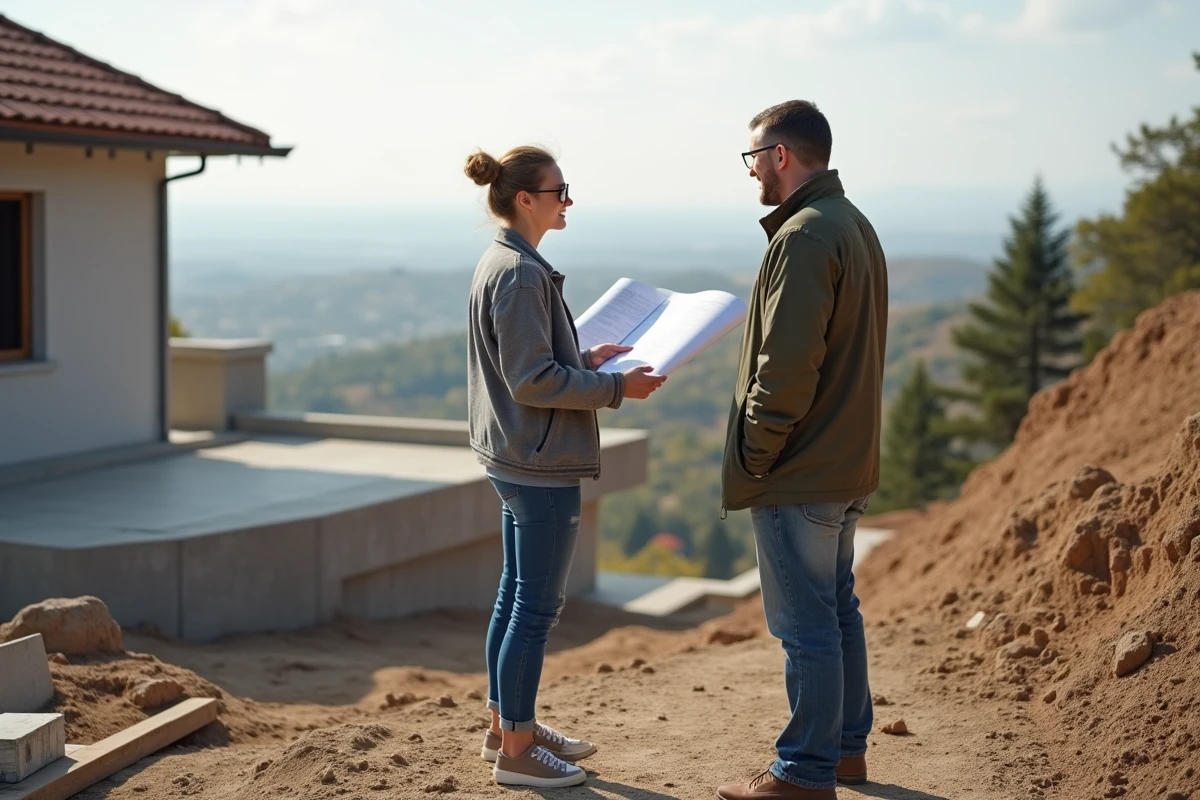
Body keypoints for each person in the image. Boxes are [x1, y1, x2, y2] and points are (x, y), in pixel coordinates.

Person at [464, 145, 666, 789]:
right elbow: (530, 379)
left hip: (514, 452)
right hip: (539, 460)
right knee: (536, 608)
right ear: (526, 199)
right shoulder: (521, 273)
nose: (568, 200)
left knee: (514, 597)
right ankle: (518, 754)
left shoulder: (504, 260)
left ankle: (508, 725)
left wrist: (583, 353)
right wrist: (614, 389)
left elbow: (524, 359)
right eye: (560, 190)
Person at [717, 101, 889, 800]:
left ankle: (803, 772)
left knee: (806, 623)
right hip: (844, 464)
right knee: (836, 607)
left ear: (780, 156)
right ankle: (845, 752)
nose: (751, 169)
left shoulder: (805, 236)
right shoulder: (850, 224)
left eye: (752, 156)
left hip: (800, 469)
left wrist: (757, 454)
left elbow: (786, 367)